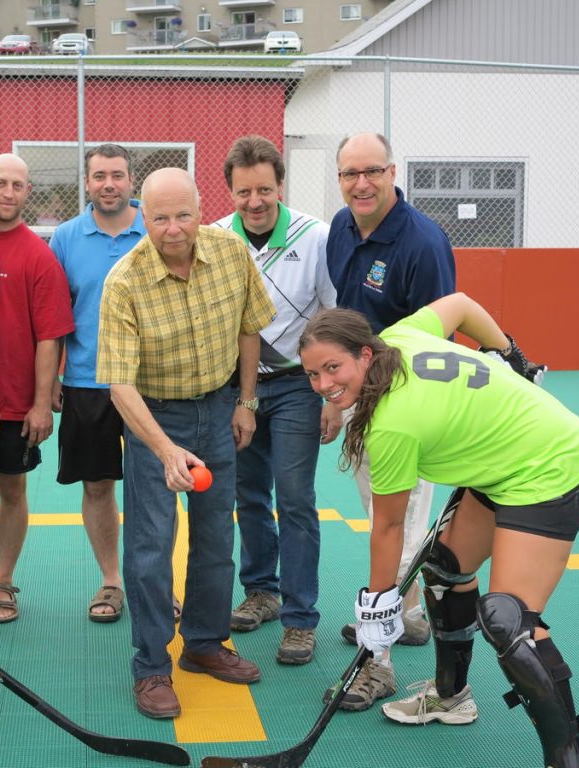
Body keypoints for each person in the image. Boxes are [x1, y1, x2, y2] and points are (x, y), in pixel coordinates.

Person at [298, 293, 579, 768]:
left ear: (365, 353)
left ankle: (569, 761)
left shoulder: (392, 424)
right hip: (500, 463)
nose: (323, 385)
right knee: (445, 567)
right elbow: (458, 305)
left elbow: (390, 525)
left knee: (510, 621)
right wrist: (507, 352)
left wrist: (377, 608)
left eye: (333, 368)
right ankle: (450, 697)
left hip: (550, 465)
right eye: (313, 374)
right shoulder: (399, 336)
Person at [97, 167, 276, 719]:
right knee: (150, 547)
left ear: (201, 210)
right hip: (155, 415)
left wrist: (246, 401)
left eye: (183, 215)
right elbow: (118, 383)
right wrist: (164, 449)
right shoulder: (123, 282)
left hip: (220, 408)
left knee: (216, 538)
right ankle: (151, 667)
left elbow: (251, 325)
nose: (173, 229)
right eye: (159, 218)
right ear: (140, 216)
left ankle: (203, 643)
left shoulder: (230, 250)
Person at [323, 131, 457, 710]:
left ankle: (377, 661)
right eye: (350, 173)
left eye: (371, 171)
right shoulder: (341, 228)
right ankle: (407, 614)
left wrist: (410, 416)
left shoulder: (423, 244)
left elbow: (440, 339)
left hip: (404, 408)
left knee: (396, 530)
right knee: (381, 516)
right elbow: (343, 321)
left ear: (393, 171)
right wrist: (336, 397)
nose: (361, 183)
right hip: (360, 400)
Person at [211, 135, 336, 666]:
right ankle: (261, 590)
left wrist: (333, 397)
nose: (255, 201)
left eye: (264, 189)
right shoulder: (215, 237)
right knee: (247, 495)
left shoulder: (317, 236)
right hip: (237, 386)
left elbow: (333, 317)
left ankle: (301, 618)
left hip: (295, 387)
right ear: (230, 192)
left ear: (280, 185)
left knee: (295, 497)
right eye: (244, 192)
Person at [48, 144, 146, 622]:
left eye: (118, 175)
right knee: (97, 485)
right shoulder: (65, 238)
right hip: (88, 382)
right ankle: (111, 581)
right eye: (100, 175)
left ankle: (154, 583)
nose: (110, 183)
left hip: (150, 381)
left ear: (132, 181)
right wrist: (51, 379)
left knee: (154, 486)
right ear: (87, 183)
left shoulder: (157, 227)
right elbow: (54, 318)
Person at [0, 153, 75, 623]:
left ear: (28, 192)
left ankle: (2, 581)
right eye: (1, 183)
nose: (9, 192)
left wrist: (41, 403)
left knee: (11, 489)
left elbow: (50, 335)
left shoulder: (39, 256)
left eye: (18, 185)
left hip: (18, 403)